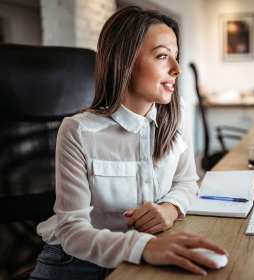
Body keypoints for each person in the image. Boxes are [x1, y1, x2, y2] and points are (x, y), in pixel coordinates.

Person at [29, 6, 226, 280]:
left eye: (177, 58)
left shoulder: (176, 116)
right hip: (76, 261)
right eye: (162, 57)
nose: (177, 69)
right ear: (125, 62)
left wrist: (170, 209)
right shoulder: (77, 131)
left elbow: (187, 181)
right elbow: (72, 231)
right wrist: (145, 247)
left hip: (149, 254)